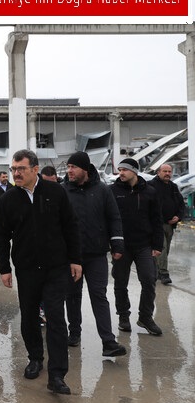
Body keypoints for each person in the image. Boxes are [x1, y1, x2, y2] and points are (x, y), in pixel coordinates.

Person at [0, 149, 81, 395]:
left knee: (56, 318)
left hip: (56, 267)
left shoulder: (56, 192)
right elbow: (1, 236)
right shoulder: (8, 200)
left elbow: (70, 226)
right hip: (27, 269)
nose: (16, 173)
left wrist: (75, 259)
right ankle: (35, 358)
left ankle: (57, 374)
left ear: (35, 169)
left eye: (21, 169)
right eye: (13, 169)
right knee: (29, 316)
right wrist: (4, 268)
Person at [62, 151, 127, 357]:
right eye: (68, 167)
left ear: (85, 169)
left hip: (97, 254)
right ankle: (74, 333)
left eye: (73, 167)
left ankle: (108, 342)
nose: (69, 171)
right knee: (72, 296)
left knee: (99, 295)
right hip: (71, 256)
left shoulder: (102, 190)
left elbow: (114, 217)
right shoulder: (63, 191)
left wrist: (117, 244)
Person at [110, 158, 163, 336]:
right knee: (120, 282)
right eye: (119, 170)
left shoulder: (150, 192)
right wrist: (112, 243)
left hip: (144, 245)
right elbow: (108, 218)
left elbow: (157, 220)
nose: (121, 173)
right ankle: (123, 316)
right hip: (121, 246)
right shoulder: (113, 191)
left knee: (149, 280)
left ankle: (145, 317)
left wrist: (158, 245)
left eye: (124, 170)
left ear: (134, 171)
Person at [147, 163, 185, 285]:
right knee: (161, 248)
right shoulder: (151, 186)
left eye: (169, 171)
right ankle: (164, 273)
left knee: (165, 249)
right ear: (158, 172)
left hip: (170, 225)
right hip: (156, 225)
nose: (167, 174)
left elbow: (181, 204)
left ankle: (157, 270)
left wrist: (178, 216)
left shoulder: (173, 187)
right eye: (165, 171)